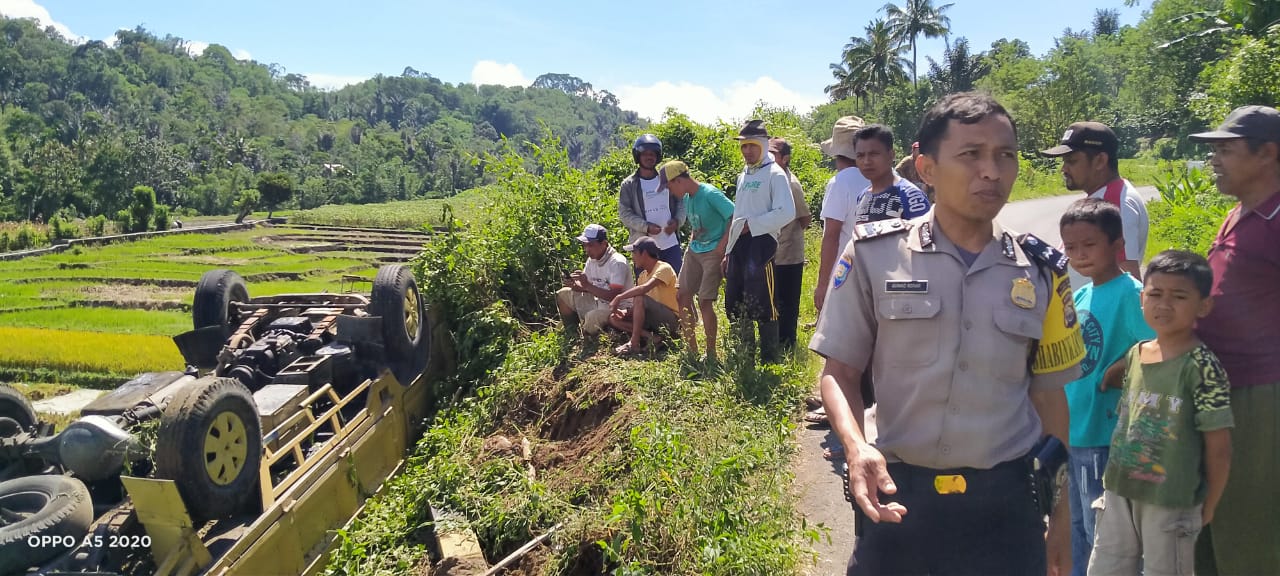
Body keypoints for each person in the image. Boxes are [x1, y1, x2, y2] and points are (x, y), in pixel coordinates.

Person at [809, 92, 1082, 575]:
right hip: (897, 495)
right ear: (927, 168)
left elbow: (1051, 404)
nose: (992, 171)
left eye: (1005, 156)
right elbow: (839, 373)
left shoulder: (1042, 273)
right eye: (971, 155)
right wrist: (856, 449)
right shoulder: (874, 255)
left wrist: (1059, 517)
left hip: (1006, 506)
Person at [1089, 250, 1234, 576]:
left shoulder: (1201, 366)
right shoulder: (1136, 354)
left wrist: (1208, 504)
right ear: (1142, 299)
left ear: (1203, 306)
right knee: (1105, 568)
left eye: (1179, 296)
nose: (1164, 305)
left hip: (1171, 500)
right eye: (1155, 294)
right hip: (1119, 490)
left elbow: (1219, 446)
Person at [1186, 104, 1280, 575]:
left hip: (1259, 393)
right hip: (1217, 389)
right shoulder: (1237, 214)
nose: (1215, 159)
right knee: (1209, 518)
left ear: (1267, 153)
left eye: (1226, 149)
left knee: (1248, 526)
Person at [1058, 198, 1154, 576]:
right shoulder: (1082, 295)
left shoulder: (1131, 294)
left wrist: (1118, 369)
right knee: (1077, 527)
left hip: (1105, 433)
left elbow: (1155, 347)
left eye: (1089, 245)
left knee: (1104, 532)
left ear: (1117, 246)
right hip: (1074, 430)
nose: (1079, 255)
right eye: (1071, 247)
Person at [723, 119, 795, 364]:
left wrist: (751, 225)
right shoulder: (743, 175)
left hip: (762, 243)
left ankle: (770, 360)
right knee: (736, 299)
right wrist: (728, 250)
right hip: (739, 245)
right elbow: (738, 213)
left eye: (752, 146)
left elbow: (787, 212)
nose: (747, 151)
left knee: (764, 301)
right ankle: (745, 356)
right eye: (743, 146)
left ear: (763, 145)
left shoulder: (775, 173)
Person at [1040, 121, 1150, 282]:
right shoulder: (1104, 197)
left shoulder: (1115, 203)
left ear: (1100, 161)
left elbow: (1127, 278)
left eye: (1071, 161)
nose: (1063, 169)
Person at [660, 160, 734, 363]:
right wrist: (692, 243)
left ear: (678, 181)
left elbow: (734, 215)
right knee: (682, 295)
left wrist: (722, 247)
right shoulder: (688, 198)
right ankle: (692, 350)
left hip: (713, 252)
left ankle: (710, 354)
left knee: (704, 301)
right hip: (695, 251)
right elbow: (696, 224)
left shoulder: (709, 194)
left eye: (668, 186)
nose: (669, 191)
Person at [815, 116, 872, 312]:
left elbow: (831, 237)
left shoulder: (840, 182)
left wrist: (823, 285)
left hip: (846, 274)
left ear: (837, 153)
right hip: (880, 272)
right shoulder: (886, 177)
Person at [618, 134, 686, 274]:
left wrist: (677, 221)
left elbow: (680, 202)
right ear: (638, 156)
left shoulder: (668, 179)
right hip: (643, 249)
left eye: (653, 154)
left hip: (670, 244)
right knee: (646, 291)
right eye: (645, 154)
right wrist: (646, 227)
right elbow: (625, 213)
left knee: (676, 289)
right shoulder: (629, 184)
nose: (649, 157)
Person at [769, 137, 812, 350]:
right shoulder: (768, 179)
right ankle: (774, 343)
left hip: (789, 253)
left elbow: (805, 219)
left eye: (774, 154)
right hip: (771, 254)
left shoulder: (790, 183)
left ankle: (787, 345)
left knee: (788, 303)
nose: (769, 158)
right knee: (772, 301)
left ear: (785, 159)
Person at [556, 224, 633, 336]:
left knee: (592, 317)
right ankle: (571, 334)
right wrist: (574, 284)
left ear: (604, 243)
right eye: (585, 245)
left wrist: (586, 285)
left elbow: (614, 296)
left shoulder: (617, 263)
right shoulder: (592, 260)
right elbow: (587, 287)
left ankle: (595, 337)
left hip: (618, 309)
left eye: (591, 245)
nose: (587, 249)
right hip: (599, 302)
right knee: (563, 294)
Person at [608, 236, 680, 356]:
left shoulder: (663, 268)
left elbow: (644, 290)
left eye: (634, 253)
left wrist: (619, 297)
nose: (633, 257)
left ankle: (634, 343)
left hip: (671, 321)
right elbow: (639, 306)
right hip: (652, 320)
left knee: (639, 296)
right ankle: (654, 338)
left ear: (644, 253)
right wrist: (625, 312)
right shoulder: (642, 276)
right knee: (614, 318)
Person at [851, 124, 931, 226]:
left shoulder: (910, 196)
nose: (866, 161)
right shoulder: (863, 196)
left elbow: (926, 237)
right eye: (860, 155)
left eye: (874, 154)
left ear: (891, 155)